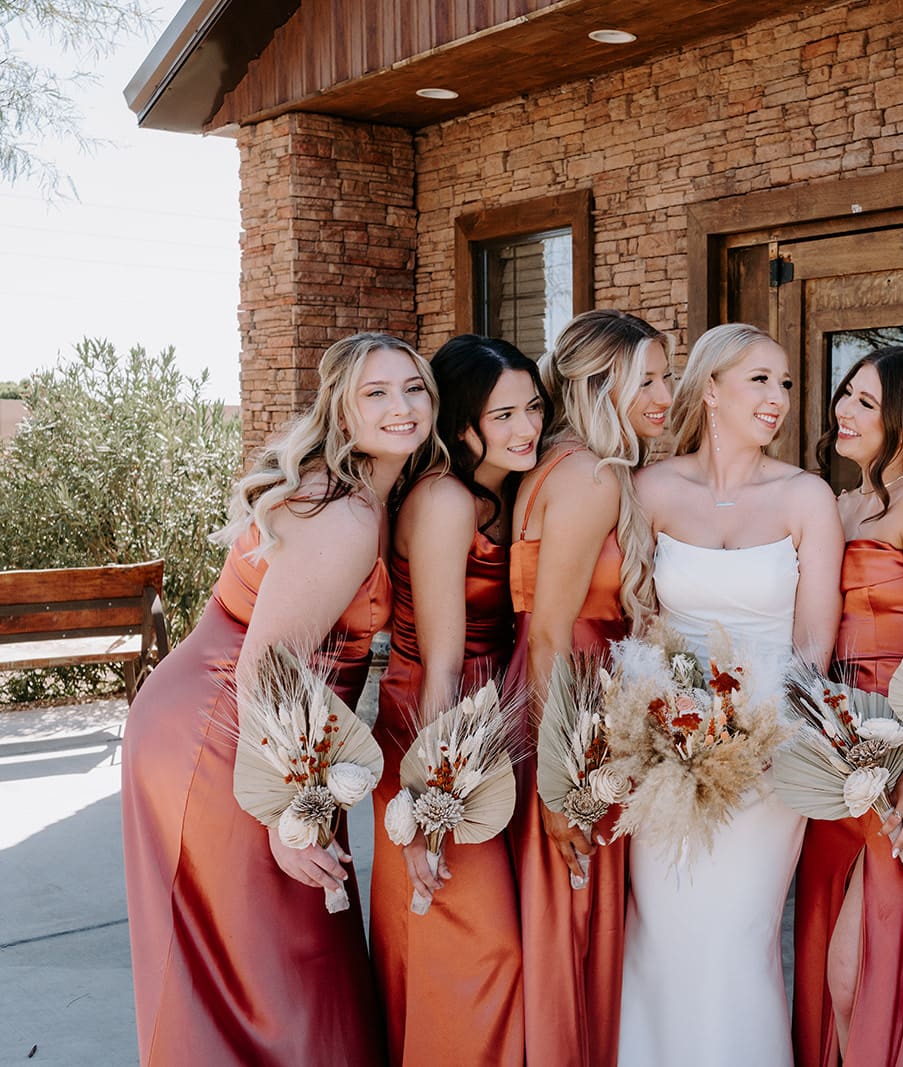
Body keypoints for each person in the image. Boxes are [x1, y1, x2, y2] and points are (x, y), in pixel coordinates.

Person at [121, 332, 446, 1065]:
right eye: (377, 393)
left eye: (414, 389)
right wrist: (283, 812)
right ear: (340, 408)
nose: (402, 407)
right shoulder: (346, 513)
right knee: (276, 958)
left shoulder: (368, 495)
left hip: (269, 726)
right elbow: (266, 662)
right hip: (224, 726)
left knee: (277, 952)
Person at [623, 322, 843, 1067]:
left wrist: (759, 736)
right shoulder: (651, 488)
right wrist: (667, 725)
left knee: (738, 941)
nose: (778, 397)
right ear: (711, 389)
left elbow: (814, 647)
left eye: (784, 383)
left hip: (767, 755)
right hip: (665, 748)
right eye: (760, 379)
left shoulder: (807, 496)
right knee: (663, 933)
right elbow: (638, 621)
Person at [791, 346, 903, 1067]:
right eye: (846, 394)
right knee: (822, 964)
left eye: (866, 402)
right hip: (839, 750)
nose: (844, 409)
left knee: (859, 969)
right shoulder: (842, 504)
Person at [369, 334, 546, 1065]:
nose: (525, 428)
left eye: (533, 407)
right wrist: (427, 807)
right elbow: (441, 665)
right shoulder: (444, 499)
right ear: (463, 423)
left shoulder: (508, 489)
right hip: (432, 728)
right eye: (502, 415)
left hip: (493, 722)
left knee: (482, 945)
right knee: (477, 944)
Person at [509, 308, 673, 1067]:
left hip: (575, 711)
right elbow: (549, 632)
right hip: (568, 720)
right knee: (574, 922)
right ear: (604, 385)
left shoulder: (565, 463)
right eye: (653, 378)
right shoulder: (591, 476)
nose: (667, 395)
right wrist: (560, 781)